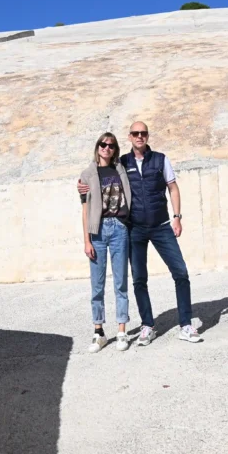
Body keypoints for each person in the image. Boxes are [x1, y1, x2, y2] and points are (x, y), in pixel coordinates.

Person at [78, 121, 201, 345]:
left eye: (143, 133)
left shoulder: (160, 159)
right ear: (130, 136)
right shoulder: (123, 162)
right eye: (135, 133)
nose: (139, 136)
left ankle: (186, 324)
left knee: (180, 272)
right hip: (135, 229)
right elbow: (94, 177)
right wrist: (82, 186)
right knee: (139, 279)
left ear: (147, 136)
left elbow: (173, 187)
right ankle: (147, 325)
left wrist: (177, 217)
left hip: (162, 225)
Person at [80, 132, 133, 353]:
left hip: (119, 228)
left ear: (115, 149)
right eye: (103, 144)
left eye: (111, 145)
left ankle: (121, 331)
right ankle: (99, 332)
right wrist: (87, 241)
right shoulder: (87, 174)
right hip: (98, 231)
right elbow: (84, 211)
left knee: (120, 283)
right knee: (97, 286)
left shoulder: (121, 169)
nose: (106, 148)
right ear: (97, 147)